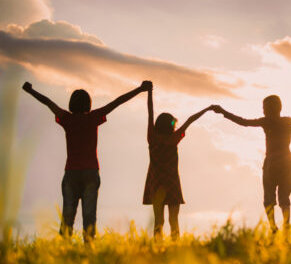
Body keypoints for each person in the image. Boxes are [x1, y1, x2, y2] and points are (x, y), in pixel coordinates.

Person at [22, 80, 151, 242]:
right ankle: (89, 246)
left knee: (68, 215)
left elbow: (48, 102)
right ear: (88, 104)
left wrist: (30, 91)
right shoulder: (94, 117)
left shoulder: (66, 119)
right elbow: (117, 101)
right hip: (90, 172)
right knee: (89, 216)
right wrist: (139, 89)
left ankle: (64, 249)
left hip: (71, 173)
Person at [213, 95, 291, 232]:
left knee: (268, 199)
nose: (263, 110)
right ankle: (286, 227)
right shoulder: (287, 121)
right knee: (284, 198)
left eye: (264, 107)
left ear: (269, 109)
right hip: (286, 162)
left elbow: (243, 122)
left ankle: (273, 228)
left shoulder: (266, 121)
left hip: (271, 163)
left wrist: (223, 112)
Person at [143, 83, 215, 240]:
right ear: (171, 126)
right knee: (173, 220)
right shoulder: (173, 139)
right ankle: (176, 246)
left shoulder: (152, 138)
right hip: (172, 183)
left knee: (158, 221)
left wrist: (148, 93)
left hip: (156, 183)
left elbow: (150, 111)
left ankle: (158, 246)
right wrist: (207, 109)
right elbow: (190, 120)